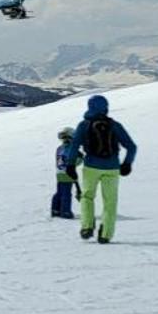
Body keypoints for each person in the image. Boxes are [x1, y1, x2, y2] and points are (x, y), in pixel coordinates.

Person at [73, 94, 137, 244]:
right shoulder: (114, 125)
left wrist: (70, 165)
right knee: (110, 201)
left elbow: (74, 146)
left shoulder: (84, 125)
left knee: (87, 196)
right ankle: (106, 234)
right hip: (112, 168)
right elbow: (131, 147)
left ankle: (87, 226)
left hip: (91, 166)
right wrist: (127, 164)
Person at [51, 128, 79, 219]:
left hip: (59, 173)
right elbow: (73, 161)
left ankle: (56, 209)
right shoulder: (71, 148)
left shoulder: (59, 148)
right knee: (66, 193)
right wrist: (80, 159)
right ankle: (65, 211)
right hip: (68, 173)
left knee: (59, 192)